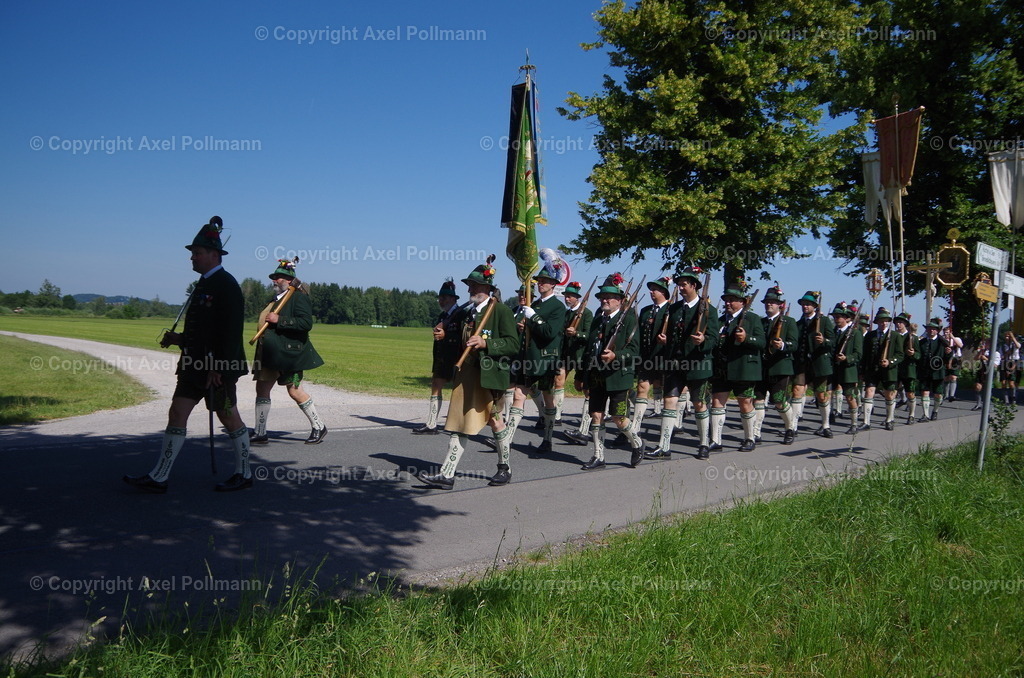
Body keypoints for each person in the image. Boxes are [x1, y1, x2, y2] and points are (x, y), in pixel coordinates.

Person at [124, 216, 252, 493]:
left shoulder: (226, 285)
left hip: (217, 369)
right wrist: (179, 339)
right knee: (177, 411)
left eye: (197, 253)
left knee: (228, 417)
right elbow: (203, 331)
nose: (192, 258)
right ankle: (160, 475)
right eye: (192, 253)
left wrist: (220, 367)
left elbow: (229, 332)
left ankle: (245, 472)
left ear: (214, 255)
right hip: (194, 366)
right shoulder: (204, 284)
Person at [418, 259, 520, 489]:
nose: (470, 289)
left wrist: (487, 343)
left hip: (490, 376)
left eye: (474, 285)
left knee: (495, 422)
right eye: (469, 285)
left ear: (487, 288)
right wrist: (445, 337)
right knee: (457, 422)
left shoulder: (501, 311)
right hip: (466, 376)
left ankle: (505, 468)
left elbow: (513, 344)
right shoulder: (467, 313)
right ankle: (447, 474)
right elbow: (460, 343)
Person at [250, 258, 327, 445]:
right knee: (262, 389)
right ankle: (260, 432)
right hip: (268, 353)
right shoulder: (275, 300)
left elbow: (306, 324)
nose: (274, 280)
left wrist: (280, 320)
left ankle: (319, 426)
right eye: (274, 277)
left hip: (288, 355)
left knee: (295, 391)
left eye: (278, 278)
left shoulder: (298, 297)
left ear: (288, 280)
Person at [645, 267, 719, 459]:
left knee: (699, 403)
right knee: (669, 401)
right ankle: (664, 446)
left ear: (694, 285)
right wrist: (665, 340)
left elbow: (714, 339)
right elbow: (672, 334)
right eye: (679, 284)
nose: (681, 287)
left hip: (697, 365)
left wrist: (703, 341)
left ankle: (703, 443)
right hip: (675, 364)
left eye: (684, 284)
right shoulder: (674, 308)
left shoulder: (710, 310)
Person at [574, 273, 645, 470]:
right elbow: (589, 350)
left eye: (609, 297)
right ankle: (598, 456)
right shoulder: (598, 319)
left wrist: (616, 356)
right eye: (602, 297)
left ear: (620, 301)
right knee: (596, 415)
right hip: (597, 376)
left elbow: (634, 351)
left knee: (618, 418)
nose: (604, 300)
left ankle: (637, 443)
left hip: (618, 378)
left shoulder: (629, 319)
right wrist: (581, 376)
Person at [508, 264, 567, 453]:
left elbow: (549, 333)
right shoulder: (535, 305)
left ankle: (548, 438)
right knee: (518, 395)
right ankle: (506, 438)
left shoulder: (558, 306)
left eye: (544, 281)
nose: (540, 284)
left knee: (549, 400)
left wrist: (533, 318)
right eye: (539, 281)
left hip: (545, 360)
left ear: (553, 284)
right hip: (528, 359)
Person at [413, 278, 470, 435]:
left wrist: (446, 334)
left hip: (457, 359)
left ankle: (461, 424)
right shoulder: (441, 316)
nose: (441, 300)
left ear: (453, 299)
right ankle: (431, 424)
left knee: (459, 392)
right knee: (436, 385)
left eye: (444, 297)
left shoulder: (462, 315)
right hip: (442, 358)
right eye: (440, 297)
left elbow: (464, 338)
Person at [753, 286, 799, 445]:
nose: (769, 305)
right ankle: (756, 433)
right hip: (762, 367)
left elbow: (795, 344)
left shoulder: (789, 322)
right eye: (767, 302)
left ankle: (790, 428)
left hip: (780, 367)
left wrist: (783, 345)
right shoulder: (760, 322)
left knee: (779, 401)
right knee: (758, 400)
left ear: (780, 305)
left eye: (772, 302)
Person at [630, 276, 673, 442]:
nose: (651, 292)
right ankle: (636, 426)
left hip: (664, 358)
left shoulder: (672, 309)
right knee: (642, 388)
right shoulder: (646, 310)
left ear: (663, 292)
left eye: (654, 289)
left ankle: (672, 425)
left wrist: (667, 341)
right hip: (647, 357)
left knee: (666, 393)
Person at [790, 291, 836, 437]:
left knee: (821, 395)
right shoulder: (798, 324)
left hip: (819, 364)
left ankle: (825, 425)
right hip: (802, 364)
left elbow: (833, 341)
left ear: (815, 306)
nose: (805, 306)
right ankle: (793, 426)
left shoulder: (824, 321)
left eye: (808, 304)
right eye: (803, 304)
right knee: (797, 392)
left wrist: (824, 341)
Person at [560, 281, 594, 445]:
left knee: (585, 390)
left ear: (577, 298)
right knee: (558, 381)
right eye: (566, 295)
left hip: (582, 356)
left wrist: (576, 334)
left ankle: (585, 428)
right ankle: (556, 417)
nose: (567, 298)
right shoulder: (566, 314)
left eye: (570, 296)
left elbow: (589, 336)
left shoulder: (586, 314)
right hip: (567, 354)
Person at [860, 307, 904, 431]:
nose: (883, 323)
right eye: (881, 321)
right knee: (869, 392)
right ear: (877, 322)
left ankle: (889, 420)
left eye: (885, 321)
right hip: (873, 369)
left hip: (889, 371)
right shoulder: (870, 335)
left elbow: (900, 354)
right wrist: (862, 371)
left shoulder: (895, 336)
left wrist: (890, 361)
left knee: (889, 395)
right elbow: (865, 354)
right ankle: (866, 422)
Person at [830, 302, 863, 434]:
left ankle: (854, 423)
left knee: (849, 397)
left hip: (847, 370)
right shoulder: (833, 332)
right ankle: (828, 419)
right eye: (835, 317)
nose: (837, 319)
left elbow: (858, 354)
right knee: (828, 394)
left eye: (839, 317)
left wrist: (847, 358)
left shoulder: (855, 334)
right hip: (834, 369)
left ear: (845, 318)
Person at [917, 318, 949, 421]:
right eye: (929, 328)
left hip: (938, 371)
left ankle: (935, 411)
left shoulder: (943, 343)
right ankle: (925, 415)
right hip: (925, 371)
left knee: (938, 393)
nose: (931, 330)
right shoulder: (922, 342)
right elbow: (919, 356)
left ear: (937, 330)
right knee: (924, 392)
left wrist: (948, 353)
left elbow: (948, 359)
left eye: (934, 329)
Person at [893, 312, 919, 424]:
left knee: (910, 393)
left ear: (905, 324)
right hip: (895, 368)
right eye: (897, 322)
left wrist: (913, 353)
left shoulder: (912, 338)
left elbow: (919, 355)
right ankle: (890, 417)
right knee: (892, 392)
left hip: (908, 369)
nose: (898, 324)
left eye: (901, 322)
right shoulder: (892, 336)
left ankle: (911, 415)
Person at [943, 325, 964, 402]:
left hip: (956, 359)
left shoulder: (956, 339)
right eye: (945, 332)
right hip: (946, 359)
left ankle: (952, 395)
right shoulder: (943, 340)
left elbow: (960, 345)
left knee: (953, 377)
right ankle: (946, 395)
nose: (946, 334)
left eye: (947, 332)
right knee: (946, 378)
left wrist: (953, 338)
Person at [999, 331, 1020, 406]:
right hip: (1005, 363)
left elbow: (1018, 346)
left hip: (1013, 362)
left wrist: (1013, 337)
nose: (1007, 338)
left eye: (1009, 336)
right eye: (1006, 336)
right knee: (1004, 383)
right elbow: (1001, 356)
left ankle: (1013, 398)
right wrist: (1005, 354)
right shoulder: (1003, 346)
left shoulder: (1014, 344)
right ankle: (1006, 400)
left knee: (1011, 383)